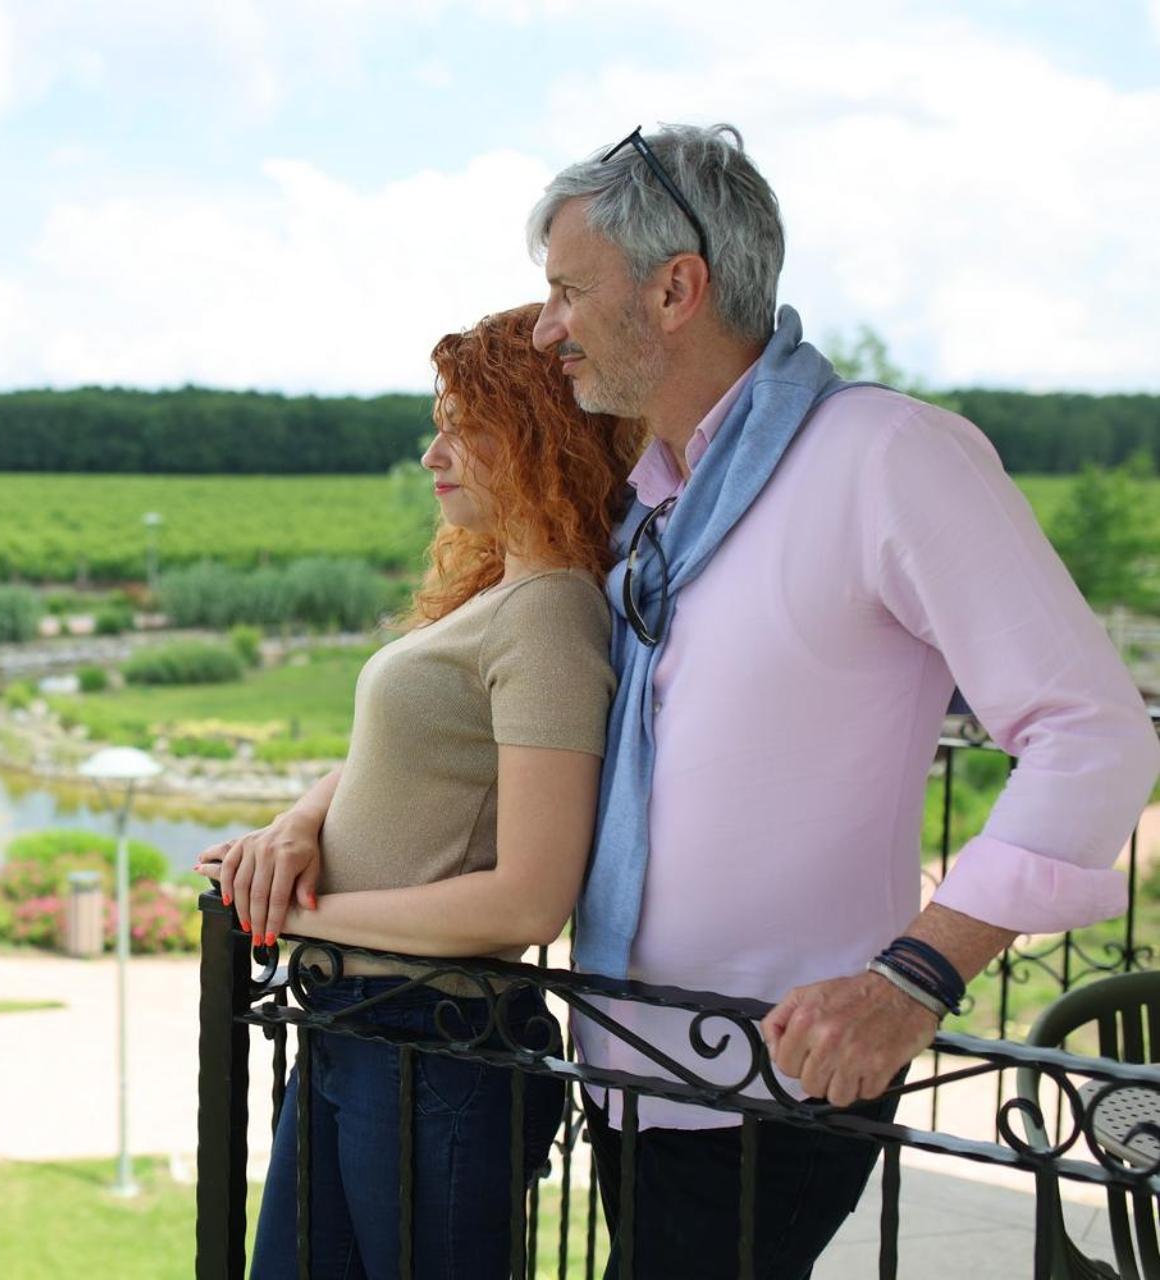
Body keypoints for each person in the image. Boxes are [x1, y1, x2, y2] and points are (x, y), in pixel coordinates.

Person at [521, 122, 1160, 1278]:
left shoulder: (885, 453)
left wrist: (917, 974)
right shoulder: (647, 500)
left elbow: (1094, 732)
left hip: (777, 1079)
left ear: (677, 289)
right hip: (626, 1069)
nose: (543, 325)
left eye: (567, 290)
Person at [195, 302, 642, 1279]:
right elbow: (396, 762)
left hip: (433, 1047)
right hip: (364, 1028)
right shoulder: (504, 590)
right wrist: (295, 826)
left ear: (541, 435)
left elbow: (529, 896)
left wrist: (314, 922)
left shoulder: (550, 614)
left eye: (464, 426)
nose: (434, 453)